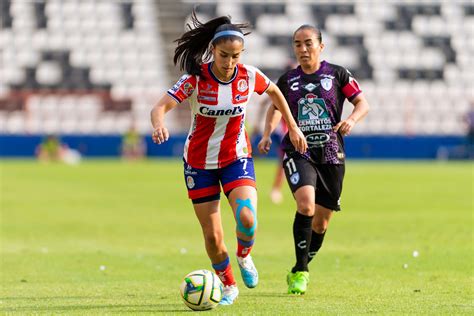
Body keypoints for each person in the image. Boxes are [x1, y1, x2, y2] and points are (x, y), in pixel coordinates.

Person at [150, 12, 307, 305]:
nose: (229, 62)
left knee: (247, 218)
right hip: (199, 165)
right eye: (224, 55)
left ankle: (244, 256)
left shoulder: (249, 75)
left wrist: (293, 125)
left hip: (237, 158)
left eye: (235, 56)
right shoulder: (195, 79)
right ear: (213, 50)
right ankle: (228, 284)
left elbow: (275, 91)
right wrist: (159, 123)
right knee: (212, 238)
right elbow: (159, 107)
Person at [258, 25, 370, 295]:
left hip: (331, 152)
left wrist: (351, 120)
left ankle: (298, 268)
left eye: (308, 43)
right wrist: (266, 134)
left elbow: (362, 103)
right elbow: (276, 108)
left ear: (321, 46)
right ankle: (302, 271)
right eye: (297, 44)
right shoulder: (287, 80)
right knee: (306, 205)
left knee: (321, 223)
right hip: (299, 150)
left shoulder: (338, 74)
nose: (303, 49)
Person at [251, 96, 288, 204]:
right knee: (284, 159)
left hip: (284, 128)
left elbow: (263, 103)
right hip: (281, 129)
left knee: (284, 160)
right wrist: (258, 123)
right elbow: (265, 103)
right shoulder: (284, 86)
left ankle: (276, 189)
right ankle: (276, 189)